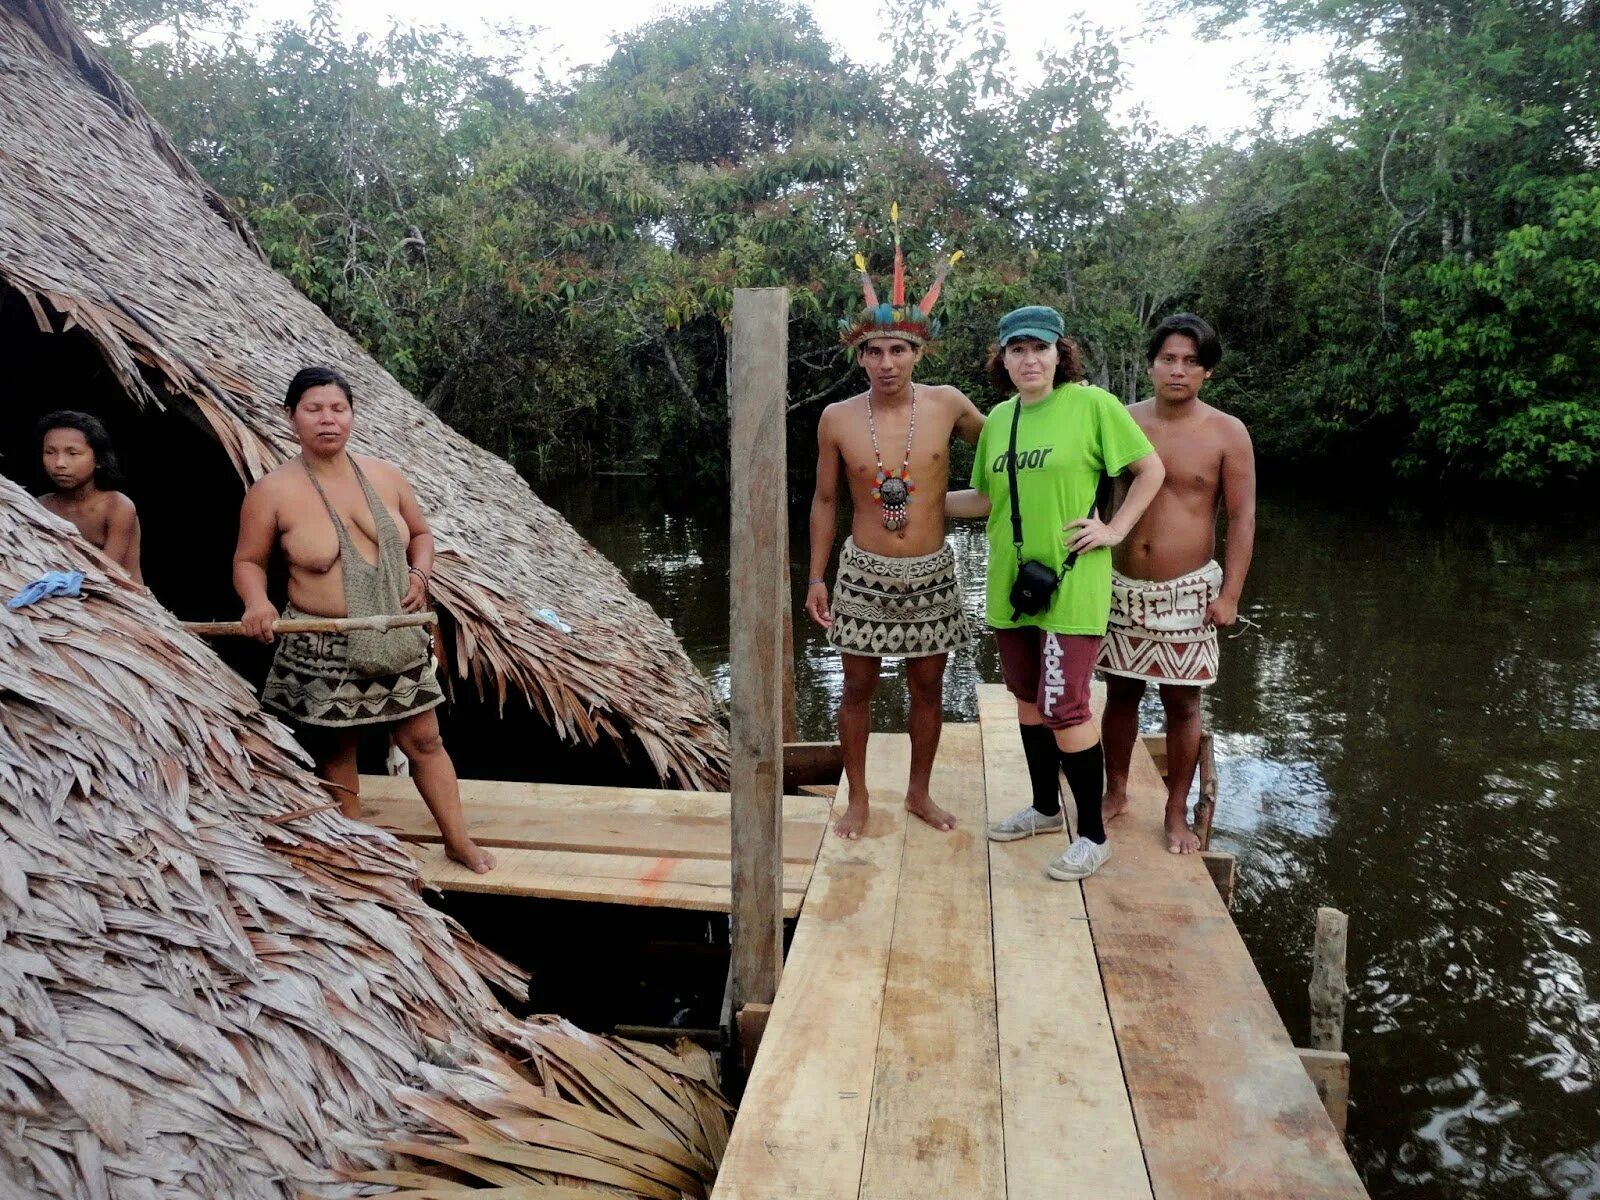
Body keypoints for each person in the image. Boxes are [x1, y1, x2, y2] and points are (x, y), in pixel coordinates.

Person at [233, 365, 494, 873]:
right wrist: (256, 603)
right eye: (314, 409)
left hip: (395, 633)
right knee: (337, 752)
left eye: (338, 408)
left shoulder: (385, 475)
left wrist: (419, 575)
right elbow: (248, 562)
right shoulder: (272, 491)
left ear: (351, 416)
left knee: (425, 741)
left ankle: (457, 839)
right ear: (291, 418)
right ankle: (357, 855)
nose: (327, 419)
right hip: (322, 644)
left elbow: (420, 534)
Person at [950, 305, 1164, 880]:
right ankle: (1046, 809)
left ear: (1058, 353)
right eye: (1017, 350)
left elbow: (1150, 470)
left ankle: (1092, 835)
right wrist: (912, 504)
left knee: (1066, 705)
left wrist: (1114, 530)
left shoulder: (1092, 405)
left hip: (1073, 583)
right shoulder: (999, 420)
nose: (1030, 359)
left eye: (1040, 348)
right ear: (1004, 358)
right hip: (1011, 585)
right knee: (1026, 700)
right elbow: (985, 500)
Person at [805, 230, 983, 840]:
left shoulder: (950, 405)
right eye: (876, 351)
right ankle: (858, 797)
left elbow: (1011, 452)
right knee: (857, 686)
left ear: (917, 354)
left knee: (928, 686)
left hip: (932, 570)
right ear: (860, 358)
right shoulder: (836, 418)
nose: (887, 363)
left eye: (899, 351)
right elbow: (825, 500)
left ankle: (918, 793)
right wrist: (815, 578)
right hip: (863, 572)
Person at [1098, 313, 1256, 855]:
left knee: (1183, 705)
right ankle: (1115, 791)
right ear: (1150, 364)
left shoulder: (1226, 433)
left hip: (1188, 591)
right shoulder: (1121, 421)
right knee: (1120, 693)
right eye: (1168, 359)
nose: (1178, 370)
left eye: (1191, 362)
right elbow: (1094, 499)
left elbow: (1242, 518)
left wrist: (1230, 593)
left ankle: (1175, 812)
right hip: (1120, 585)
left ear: (1206, 372)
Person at [34, 410, 143, 583]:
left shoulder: (116, 506)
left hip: (118, 603)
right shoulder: (41, 506)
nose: (59, 463)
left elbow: (107, 576)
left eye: (73, 453)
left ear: (99, 460)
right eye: (50, 452)